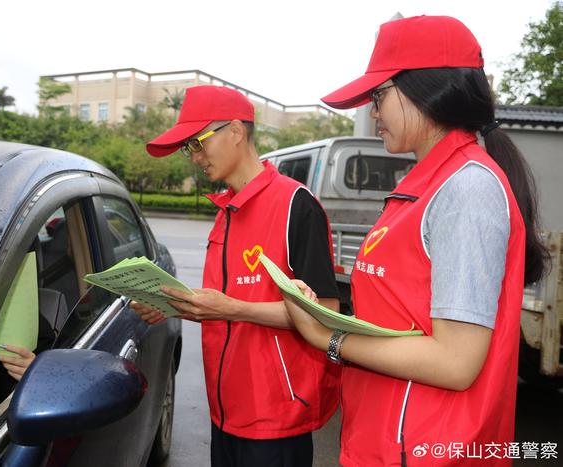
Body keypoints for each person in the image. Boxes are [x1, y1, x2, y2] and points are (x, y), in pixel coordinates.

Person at [284, 16, 549, 466]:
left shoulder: (467, 188)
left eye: (379, 95)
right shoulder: (429, 183)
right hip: (391, 442)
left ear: (426, 89)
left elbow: (455, 361)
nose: (373, 112)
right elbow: (402, 313)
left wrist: (327, 337)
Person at [133, 85, 341, 467]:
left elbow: (325, 314)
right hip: (224, 409)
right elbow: (223, 302)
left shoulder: (296, 204)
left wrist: (231, 308)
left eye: (198, 143)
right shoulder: (225, 211)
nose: (194, 157)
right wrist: (174, 305)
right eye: (188, 148)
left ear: (235, 131)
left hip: (275, 417)